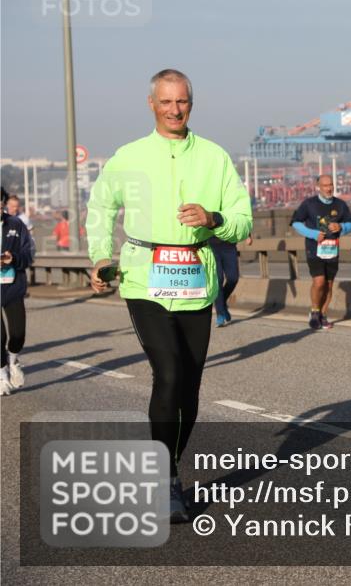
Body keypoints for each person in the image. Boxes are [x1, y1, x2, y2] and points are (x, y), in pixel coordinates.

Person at [87, 69, 252, 522]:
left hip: (197, 280)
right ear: (151, 103)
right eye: (166, 102)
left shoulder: (215, 157)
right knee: (169, 372)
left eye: (183, 102)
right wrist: (101, 256)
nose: (175, 110)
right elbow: (101, 205)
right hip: (145, 277)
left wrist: (214, 217)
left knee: (191, 388)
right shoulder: (129, 157)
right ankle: (163, 480)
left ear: (191, 104)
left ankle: (170, 464)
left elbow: (243, 219)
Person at [290, 175, 351, 329]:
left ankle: (323, 315)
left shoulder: (340, 205)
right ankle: (314, 311)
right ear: (318, 187)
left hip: (332, 249)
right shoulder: (309, 204)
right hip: (314, 249)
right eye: (325, 185)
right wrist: (313, 234)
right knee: (319, 282)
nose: (329, 188)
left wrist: (342, 227)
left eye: (331, 185)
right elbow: (296, 223)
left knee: (328, 284)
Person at [2, 187, 33, 396]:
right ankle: (2, 375)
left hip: (13, 286)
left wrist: (14, 258)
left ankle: (13, 360)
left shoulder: (16, 224)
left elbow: (29, 254)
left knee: (18, 334)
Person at [209, 232, 250, 327]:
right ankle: (220, 314)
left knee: (233, 278)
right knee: (218, 280)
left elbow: (241, 217)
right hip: (212, 246)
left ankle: (222, 303)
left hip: (229, 246)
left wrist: (248, 234)